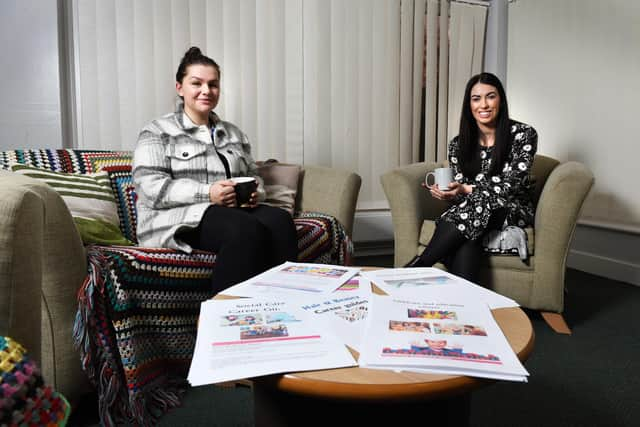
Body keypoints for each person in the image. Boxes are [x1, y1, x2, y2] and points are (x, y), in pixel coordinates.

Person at [133, 46, 298, 293]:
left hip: (228, 212)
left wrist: (256, 194)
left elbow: (254, 176)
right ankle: (222, 322)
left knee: (281, 221)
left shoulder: (233, 133)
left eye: (213, 84)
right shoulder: (157, 131)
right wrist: (208, 193)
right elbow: (150, 189)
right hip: (177, 218)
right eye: (196, 83)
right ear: (180, 87)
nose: (206, 91)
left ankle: (284, 307)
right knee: (243, 229)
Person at [405, 72, 537, 282]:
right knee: (467, 238)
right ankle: (468, 306)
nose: (483, 104)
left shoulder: (523, 134)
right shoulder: (458, 144)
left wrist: (466, 189)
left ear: (500, 100)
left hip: (511, 209)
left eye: (490, 96)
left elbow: (511, 186)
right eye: (476, 99)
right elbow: (461, 196)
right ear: (469, 104)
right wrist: (451, 194)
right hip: (472, 216)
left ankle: (421, 264)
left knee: (476, 206)